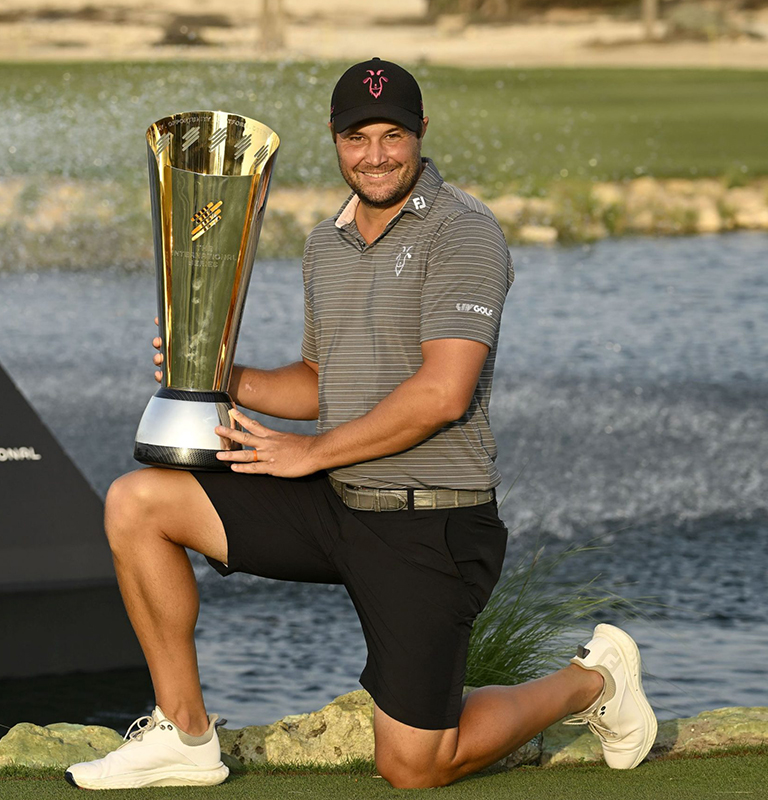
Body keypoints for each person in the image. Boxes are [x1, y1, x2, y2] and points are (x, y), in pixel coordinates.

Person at [65, 58, 657, 790]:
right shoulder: (326, 242)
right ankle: (184, 734)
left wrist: (309, 454)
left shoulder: (464, 232)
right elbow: (319, 382)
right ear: (334, 140)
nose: (375, 154)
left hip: (428, 521)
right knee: (138, 501)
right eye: (357, 137)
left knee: (414, 766)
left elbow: (443, 392)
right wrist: (218, 371)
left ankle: (595, 682)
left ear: (421, 134)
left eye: (392, 135)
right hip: (336, 501)